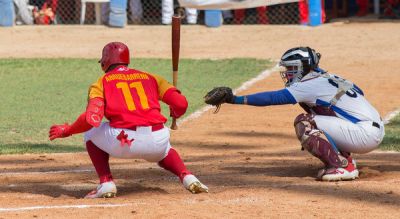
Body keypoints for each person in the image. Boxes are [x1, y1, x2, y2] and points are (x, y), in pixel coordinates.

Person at [49, 42, 208, 198]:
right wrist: (176, 112)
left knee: (91, 132)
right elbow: (181, 103)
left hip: (123, 141)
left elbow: (91, 118)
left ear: (105, 62)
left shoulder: (102, 82)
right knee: (166, 149)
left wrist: (68, 130)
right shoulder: (151, 77)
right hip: (157, 141)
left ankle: (106, 183)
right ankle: (187, 177)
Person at [204, 47, 385, 181]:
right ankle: (344, 159)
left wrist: (234, 99)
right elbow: (359, 93)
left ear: (302, 68)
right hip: (370, 128)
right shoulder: (329, 77)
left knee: (305, 122)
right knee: (320, 113)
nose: (288, 74)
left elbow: (274, 98)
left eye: (291, 69)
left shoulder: (309, 84)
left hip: (363, 134)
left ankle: (341, 166)